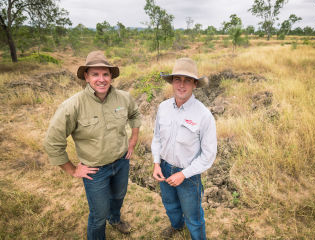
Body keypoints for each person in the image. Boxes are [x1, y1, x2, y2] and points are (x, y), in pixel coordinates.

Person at [43, 51, 141, 240]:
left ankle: (115, 219)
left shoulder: (123, 98)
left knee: (119, 196)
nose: (101, 79)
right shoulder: (72, 106)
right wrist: (72, 170)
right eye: (95, 74)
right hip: (95, 171)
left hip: (121, 162)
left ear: (111, 76)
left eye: (105, 74)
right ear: (86, 77)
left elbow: (135, 115)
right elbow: (52, 142)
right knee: (98, 216)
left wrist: (133, 140)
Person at [151, 58, 217, 240]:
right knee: (170, 205)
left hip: (188, 175)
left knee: (193, 216)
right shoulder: (163, 108)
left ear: (195, 84)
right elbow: (157, 138)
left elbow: (209, 155)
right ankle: (177, 226)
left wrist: (183, 174)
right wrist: (157, 163)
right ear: (172, 82)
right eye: (177, 79)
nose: (181, 85)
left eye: (187, 80)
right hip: (164, 168)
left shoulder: (204, 115)